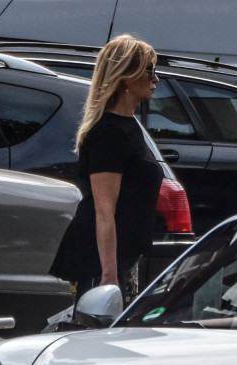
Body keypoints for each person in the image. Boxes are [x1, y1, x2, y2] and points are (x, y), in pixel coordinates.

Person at [49, 34, 163, 304]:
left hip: (122, 256)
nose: (156, 79)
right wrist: (109, 275)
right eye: (150, 71)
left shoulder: (129, 126)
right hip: (100, 261)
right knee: (96, 333)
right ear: (126, 74)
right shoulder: (109, 133)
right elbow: (104, 210)